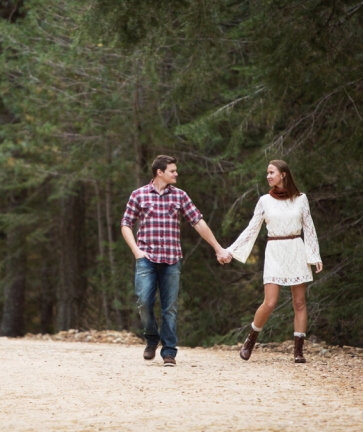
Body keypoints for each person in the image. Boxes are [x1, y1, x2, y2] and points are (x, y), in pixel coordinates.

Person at [121, 155, 232, 367]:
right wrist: (136, 251)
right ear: (159, 172)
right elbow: (126, 224)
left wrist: (218, 248)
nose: (176, 173)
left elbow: (198, 222)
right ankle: (151, 338)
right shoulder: (139, 195)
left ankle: (169, 351)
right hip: (146, 258)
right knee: (144, 302)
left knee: (169, 308)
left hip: (172, 260)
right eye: (172, 170)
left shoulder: (180, 196)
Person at [225, 160, 323, 363]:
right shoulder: (264, 201)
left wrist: (314, 255)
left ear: (283, 174)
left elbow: (309, 228)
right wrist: (231, 250)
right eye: (267, 173)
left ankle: (298, 351)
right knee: (270, 302)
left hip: (296, 249)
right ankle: (250, 340)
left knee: (299, 302)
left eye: (271, 172)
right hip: (275, 251)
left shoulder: (301, 199)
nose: (268, 176)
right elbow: (252, 229)